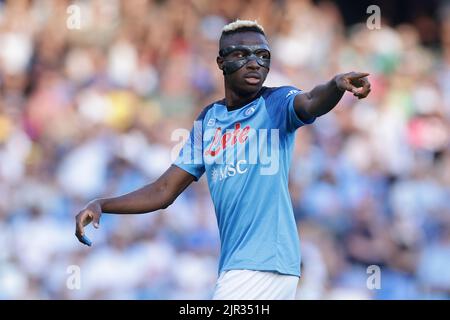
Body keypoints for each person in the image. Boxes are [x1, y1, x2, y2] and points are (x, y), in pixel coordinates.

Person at [75, 19, 371, 299]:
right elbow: (164, 191)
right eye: (242, 54)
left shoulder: (276, 103)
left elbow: (311, 101)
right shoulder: (209, 120)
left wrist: (334, 86)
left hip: (263, 264)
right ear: (221, 62)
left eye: (263, 55)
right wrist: (103, 204)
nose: (255, 62)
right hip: (244, 265)